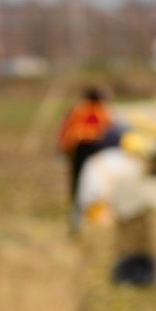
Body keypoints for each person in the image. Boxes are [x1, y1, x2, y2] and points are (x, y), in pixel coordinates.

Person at [58, 87, 114, 226]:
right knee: (89, 182)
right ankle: (85, 215)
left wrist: (63, 149)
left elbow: (66, 130)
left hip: (80, 148)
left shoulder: (79, 109)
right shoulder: (99, 111)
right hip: (91, 148)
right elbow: (108, 129)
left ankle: (80, 215)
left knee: (80, 182)